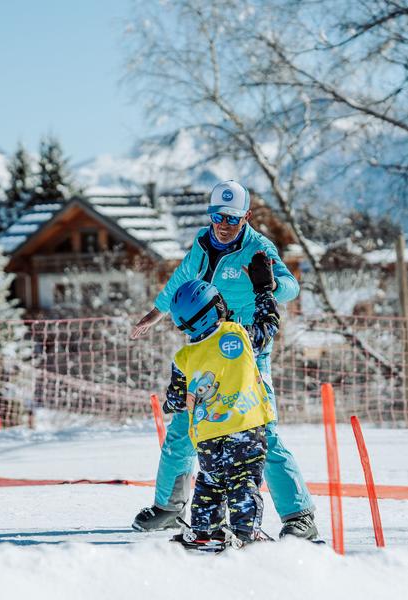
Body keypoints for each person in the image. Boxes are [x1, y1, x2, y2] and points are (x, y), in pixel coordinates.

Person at [131, 180, 318, 540]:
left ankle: (299, 516)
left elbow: (291, 286)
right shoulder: (203, 243)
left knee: (263, 430)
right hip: (203, 350)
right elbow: (182, 277)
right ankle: (168, 507)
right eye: (218, 216)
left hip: (247, 351)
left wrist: (272, 284)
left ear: (246, 216)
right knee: (184, 427)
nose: (224, 224)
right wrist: (157, 311)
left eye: (232, 218)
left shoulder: (258, 248)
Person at [165, 268, 277, 547]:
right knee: (243, 480)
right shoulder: (238, 334)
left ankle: (204, 530)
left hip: (206, 434)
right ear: (217, 308)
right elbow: (269, 325)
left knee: (211, 480)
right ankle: (244, 533)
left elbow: (177, 398)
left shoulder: (183, 357)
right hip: (245, 426)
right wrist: (263, 290)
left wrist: (171, 402)